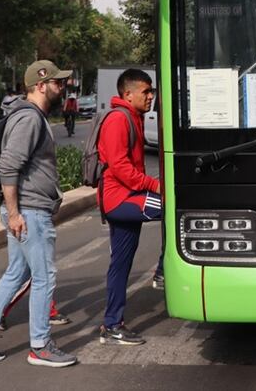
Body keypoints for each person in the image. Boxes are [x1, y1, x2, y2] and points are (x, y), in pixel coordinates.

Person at [0, 59, 77, 368]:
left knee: (17, 272)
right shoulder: (29, 119)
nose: (62, 87)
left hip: (25, 210)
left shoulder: (29, 116)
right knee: (44, 276)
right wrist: (14, 214)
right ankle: (40, 346)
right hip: (29, 212)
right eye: (57, 83)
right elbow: (9, 166)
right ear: (40, 85)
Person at [97, 69, 162, 346]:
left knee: (120, 264)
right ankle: (163, 272)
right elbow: (121, 167)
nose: (151, 97)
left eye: (151, 92)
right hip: (120, 199)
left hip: (128, 196)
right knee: (175, 207)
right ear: (128, 94)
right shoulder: (118, 120)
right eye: (146, 92)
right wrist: (155, 186)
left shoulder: (132, 117)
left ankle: (112, 325)